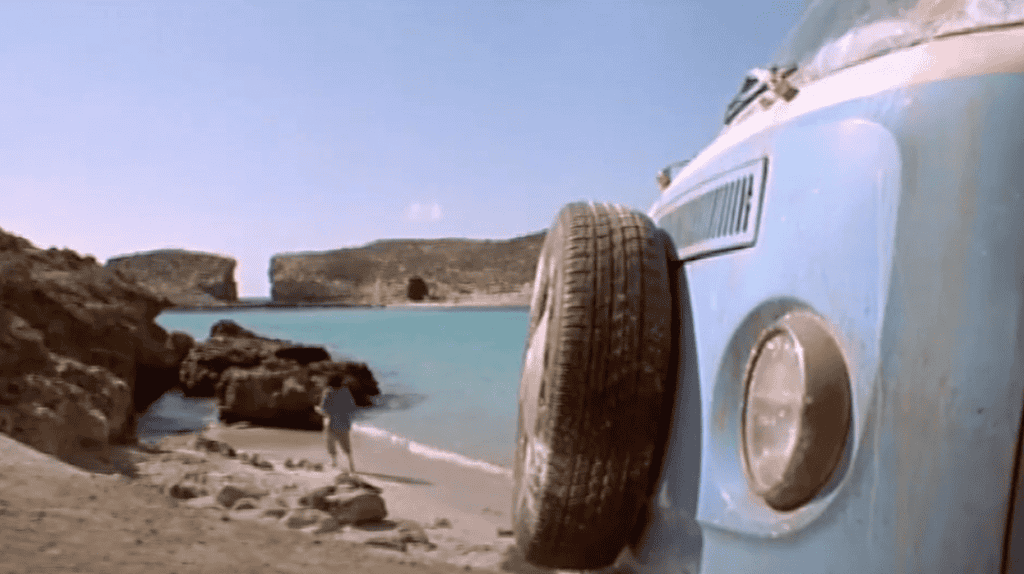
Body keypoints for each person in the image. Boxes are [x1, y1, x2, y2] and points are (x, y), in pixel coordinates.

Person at [315, 374, 359, 474]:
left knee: (330, 443)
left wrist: (317, 410)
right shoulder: (345, 391)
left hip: (331, 423)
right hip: (344, 422)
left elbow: (324, 409)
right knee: (346, 445)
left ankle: (334, 462)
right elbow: (352, 407)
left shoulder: (328, 391)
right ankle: (351, 465)